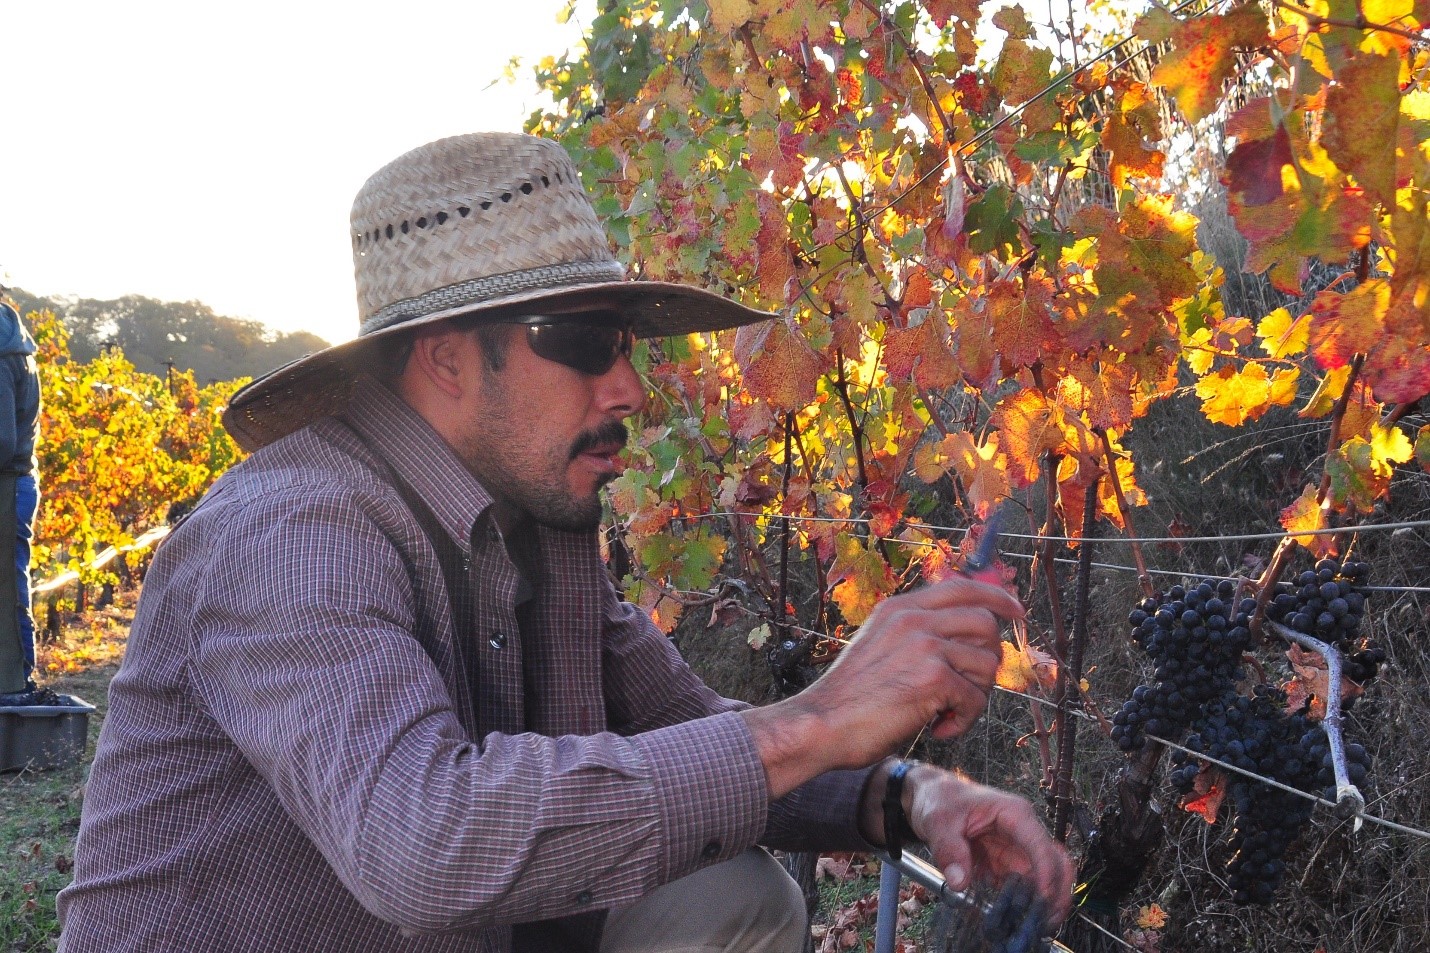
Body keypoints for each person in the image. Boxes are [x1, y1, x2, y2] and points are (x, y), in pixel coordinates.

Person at [58, 132, 1073, 952]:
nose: (627, 387)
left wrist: (909, 792)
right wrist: (821, 713)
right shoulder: (290, 531)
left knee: (730, 895)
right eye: (586, 343)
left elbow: (699, 733)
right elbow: (422, 844)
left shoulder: (533, 529)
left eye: (625, 346)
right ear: (449, 359)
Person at [0, 276, 43, 706]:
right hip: (16, 481)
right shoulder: (12, 339)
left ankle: (12, 688)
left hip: (6, 485)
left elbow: (1, 440)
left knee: (6, 587)